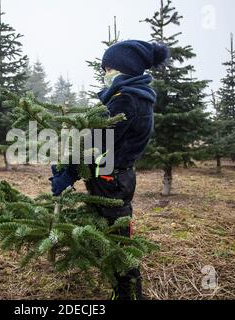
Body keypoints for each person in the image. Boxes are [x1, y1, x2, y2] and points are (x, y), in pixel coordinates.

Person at [50, 40, 170, 300]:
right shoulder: (131, 96)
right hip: (112, 176)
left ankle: (129, 295)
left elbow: (97, 142)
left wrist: (68, 172)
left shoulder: (126, 100)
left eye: (107, 69)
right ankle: (121, 290)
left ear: (123, 67)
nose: (105, 74)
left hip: (111, 180)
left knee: (117, 243)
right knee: (111, 237)